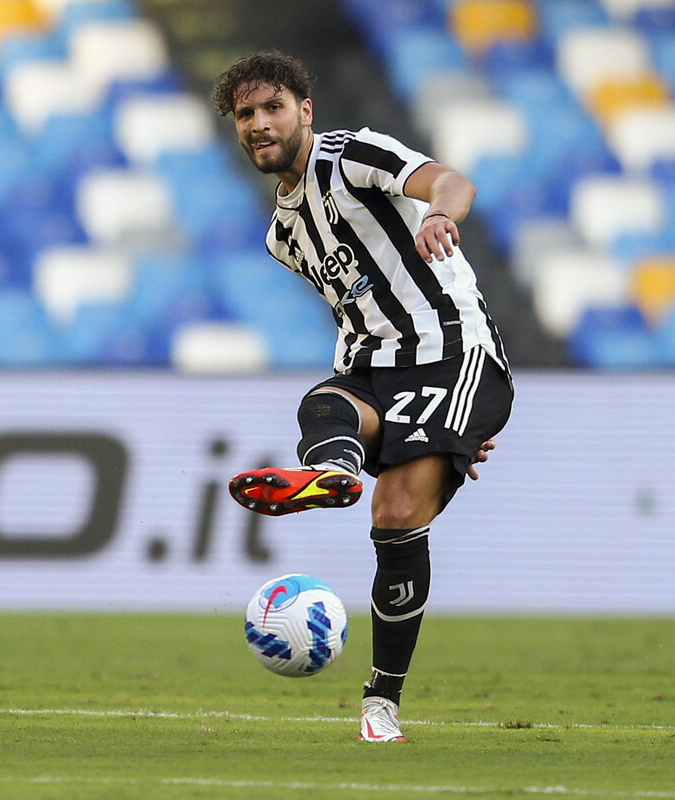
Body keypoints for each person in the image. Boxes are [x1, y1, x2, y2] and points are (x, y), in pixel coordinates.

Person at [212, 51, 514, 743]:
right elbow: (355, 305)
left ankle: (382, 700)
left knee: (396, 510)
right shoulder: (282, 236)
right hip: (372, 361)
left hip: (450, 351)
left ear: (305, 111)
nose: (259, 124)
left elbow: (450, 180)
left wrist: (439, 214)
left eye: (272, 108)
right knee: (324, 404)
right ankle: (334, 472)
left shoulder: (353, 155)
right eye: (246, 115)